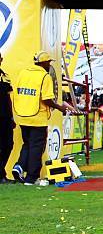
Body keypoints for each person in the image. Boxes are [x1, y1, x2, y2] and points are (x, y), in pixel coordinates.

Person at [11, 51, 74, 185]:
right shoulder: (44, 77)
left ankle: (19, 166)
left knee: (27, 144)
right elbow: (47, 99)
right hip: (37, 118)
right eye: (49, 62)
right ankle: (31, 178)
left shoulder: (23, 73)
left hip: (22, 116)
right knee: (37, 147)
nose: (49, 65)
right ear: (44, 62)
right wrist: (59, 107)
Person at [0, 52, 15, 184]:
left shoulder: (4, 76)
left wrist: (11, 117)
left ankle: (1, 173)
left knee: (8, 145)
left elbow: (8, 98)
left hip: (5, 117)